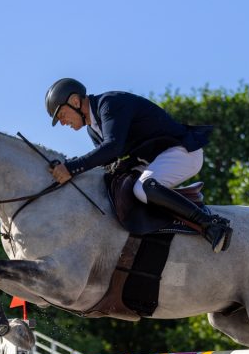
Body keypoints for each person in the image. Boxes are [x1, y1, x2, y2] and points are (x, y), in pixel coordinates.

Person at [45, 78, 230, 252]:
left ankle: (210, 224)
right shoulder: (92, 130)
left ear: (75, 101)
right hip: (154, 159)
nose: (62, 122)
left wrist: (71, 168)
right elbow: (106, 163)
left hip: (181, 151)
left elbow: (112, 147)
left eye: (61, 115)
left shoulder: (109, 104)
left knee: (143, 188)